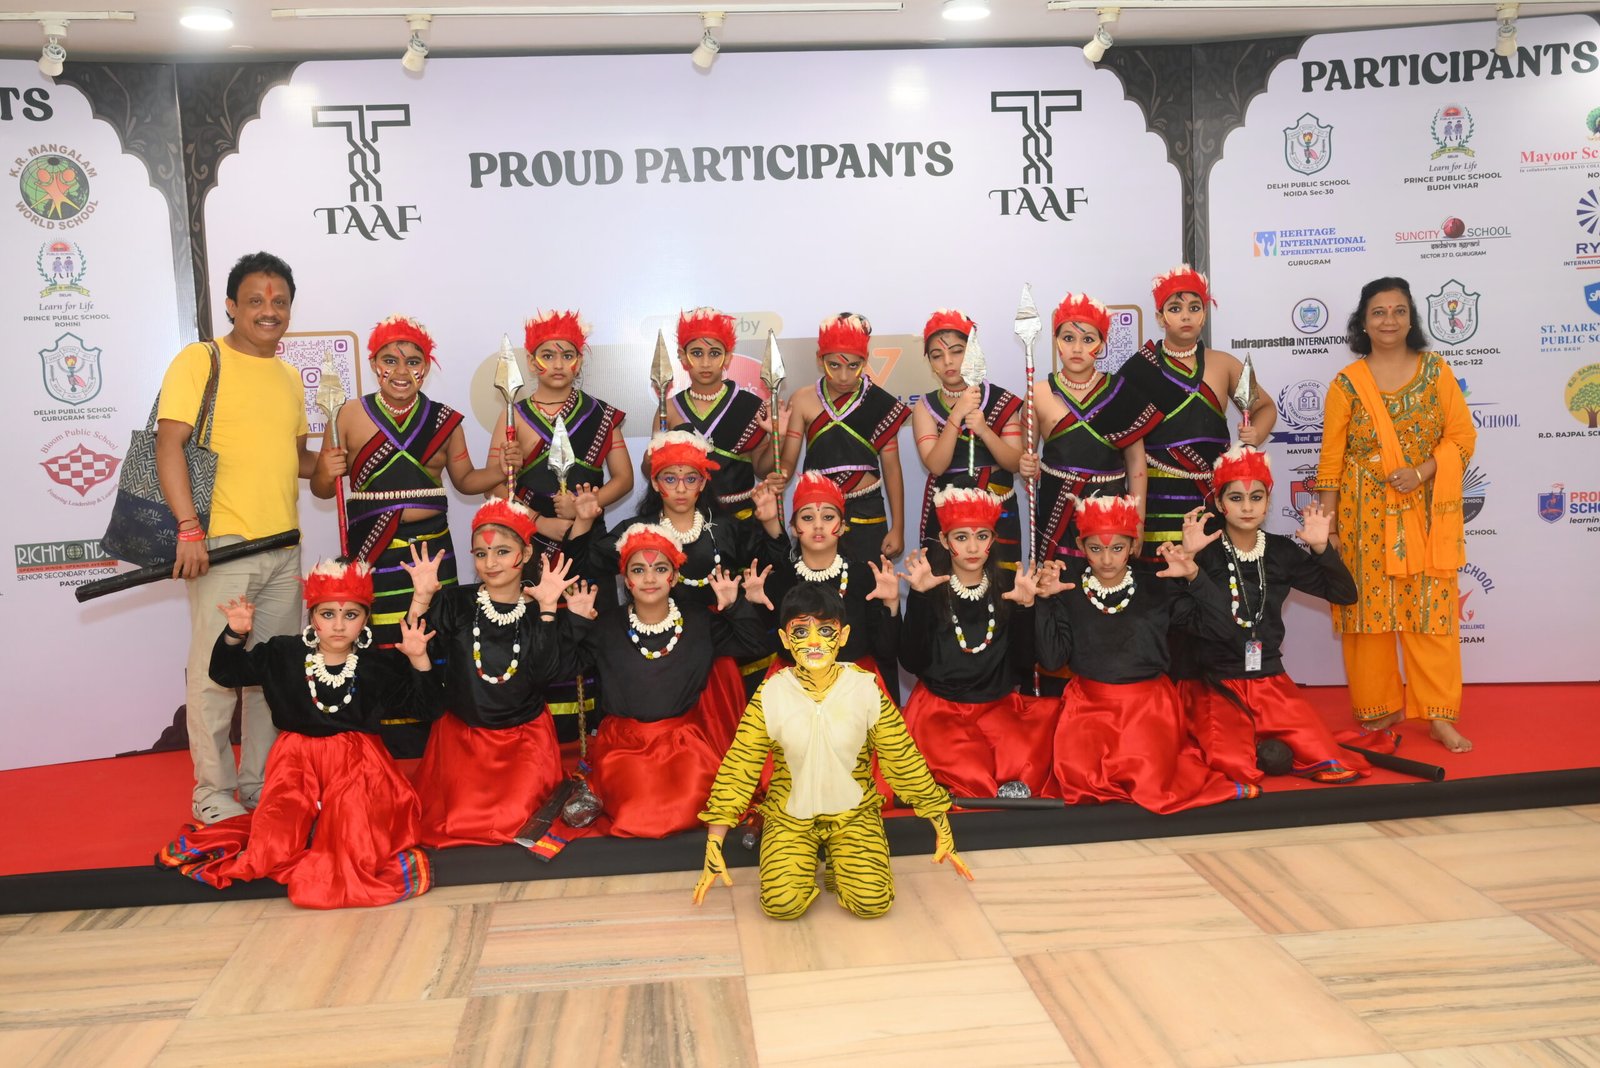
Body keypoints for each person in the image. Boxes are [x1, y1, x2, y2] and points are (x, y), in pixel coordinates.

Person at [156, 251, 338, 824]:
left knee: (270, 676)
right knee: (215, 677)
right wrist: (189, 528)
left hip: (284, 548)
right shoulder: (200, 360)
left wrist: (328, 464)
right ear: (232, 306)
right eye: (255, 300)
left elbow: (294, 459)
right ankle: (214, 793)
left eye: (279, 301)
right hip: (224, 547)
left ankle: (261, 785)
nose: (268, 311)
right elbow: (168, 445)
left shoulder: (288, 377)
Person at [156, 560, 438, 909]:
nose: (338, 625)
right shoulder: (283, 653)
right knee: (272, 844)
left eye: (351, 615)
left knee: (351, 840)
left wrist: (419, 660)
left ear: (365, 619)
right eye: (327, 614)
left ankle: (328, 829)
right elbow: (225, 673)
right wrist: (235, 633)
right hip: (295, 765)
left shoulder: (376, 665)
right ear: (312, 616)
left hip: (358, 768)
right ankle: (310, 827)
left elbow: (425, 708)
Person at [693, 584, 973, 920]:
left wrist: (940, 823)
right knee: (782, 905)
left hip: (854, 814)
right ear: (785, 639)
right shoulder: (771, 693)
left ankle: (843, 867)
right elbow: (741, 765)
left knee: (872, 904)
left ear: (843, 636)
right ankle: (805, 864)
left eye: (825, 630)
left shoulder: (865, 689)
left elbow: (902, 757)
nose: (813, 642)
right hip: (789, 817)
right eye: (801, 631)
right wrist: (715, 841)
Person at [311, 315, 510, 758]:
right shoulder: (346, 415)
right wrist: (326, 471)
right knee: (378, 636)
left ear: (426, 367)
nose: (401, 371)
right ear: (374, 364)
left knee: (432, 633)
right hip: (372, 551)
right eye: (390, 360)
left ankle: (434, 733)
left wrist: (503, 468)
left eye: (413, 362)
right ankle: (382, 736)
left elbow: (466, 481)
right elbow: (324, 489)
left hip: (432, 551)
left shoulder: (445, 420)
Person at [1316, 277, 1475, 753]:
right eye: (1379, 312)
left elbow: (1462, 438)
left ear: (1411, 319)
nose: (1389, 320)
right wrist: (1328, 527)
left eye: (1399, 311)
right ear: (1363, 322)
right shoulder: (1347, 383)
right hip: (1361, 515)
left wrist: (1423, 472)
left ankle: (1439, 716)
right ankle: (1379, 708)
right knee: (1368, 614)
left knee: (1431, 613)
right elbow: (1331, 461)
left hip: (1424, 513)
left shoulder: (1436, 371)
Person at [1034, 495, 1260, 812]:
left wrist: (1194, 577)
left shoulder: (1157, 586)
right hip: (1086, 711)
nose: (1107, 559)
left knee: (1152, 782)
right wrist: (1044, 602)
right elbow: (1052, 660)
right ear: (1081, 546)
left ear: (1132, 545)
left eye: (1117, 548)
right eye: (1096, 549)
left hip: (1149, 710)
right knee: (1081, 783)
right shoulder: (1068, 589)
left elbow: (1223, 629)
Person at [401, 501, 591, 847]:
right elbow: (416, 643)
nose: (490, 563)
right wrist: (422, 597)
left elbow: (547, 674)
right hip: (462, 742)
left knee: (515, 821)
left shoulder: (538, 610)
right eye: (481, 553)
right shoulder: (456, 603)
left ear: (526, 552)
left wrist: (549, 610)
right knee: (462, 822)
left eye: (502, 551)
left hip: (524, 744)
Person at [1175, 447, 1368, 785]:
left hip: (1269, 679)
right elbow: (1178, 619)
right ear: (1219, 503)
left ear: (1267, 502)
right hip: (1215, 682)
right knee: (1232, 766)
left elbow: (1344, 595)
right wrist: (1189, 560)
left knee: (1329, 759)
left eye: (1256, 497)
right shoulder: (1203, 551)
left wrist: (1321, 548)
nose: (1247, 508)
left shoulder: (1281, 551)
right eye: (1236, 498)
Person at [563, 522, 770, 838]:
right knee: (637, 810)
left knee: (689, 803)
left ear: (673, 576)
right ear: (626, 579)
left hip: (684, 745)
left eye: (660, 569)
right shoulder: (605, 626)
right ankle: (600, 786)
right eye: (638, 570)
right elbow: (561, 667)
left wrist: (735, 605)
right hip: (623, 746)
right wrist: (575, 623)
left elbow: (755, 645)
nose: (650, 579)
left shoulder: (699, 620)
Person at [899, 487, 1056, 799]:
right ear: (944, 540)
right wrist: (919, 598)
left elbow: (1023, 666)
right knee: (972, 775)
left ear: (993, 540)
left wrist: (1026, 609)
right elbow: (912, 662)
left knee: (1023, 766)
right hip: (941, 711)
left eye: (982, 536)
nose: (972, 547)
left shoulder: (1009, 588)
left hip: (998, 708)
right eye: (961, 537)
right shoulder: (931, 588)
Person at [1119, 265, 1276, 559]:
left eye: (1194, 308)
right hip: (1156, 498)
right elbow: (1126, 442)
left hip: (1212, 495)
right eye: (1175, 308)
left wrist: (1255, 435)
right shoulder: (1138, 369)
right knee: (1159, 572)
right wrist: (1135, 516)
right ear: (1160, 317)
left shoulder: (1223, 364)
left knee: (1213, 573)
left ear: (1204, 315)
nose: (1186, 316)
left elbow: (1265, 407)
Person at [572, 430, 789, 612]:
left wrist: (770, 521)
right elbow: (580, 569)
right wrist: (583, 521)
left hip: (718, 638)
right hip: (655, 640)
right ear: (655, 483)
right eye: (670, 479)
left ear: (702, 483)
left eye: (691, 479)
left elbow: (780, 565)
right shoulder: (636, 531)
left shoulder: (726, 528)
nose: (681, 488)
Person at [493, 309, 634, 583]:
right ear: (531, 362)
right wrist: (539, 522)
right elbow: (495, 486)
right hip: (529, 539)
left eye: (567, 356)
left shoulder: (601, 413)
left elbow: (624, 478)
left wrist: (585, 505)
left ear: (579, 362)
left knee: (592, 606)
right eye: (547, 356)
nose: (558, 365)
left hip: (590, 538)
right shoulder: (514, 416)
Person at [1031, 292, 1157, 566]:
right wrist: (1025, 463)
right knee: (1059, 583)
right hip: (1056, 511)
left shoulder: (1120, 392)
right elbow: (1022, 456)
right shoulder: (1038, 393)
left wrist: (1137, 521)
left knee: (1109, 582)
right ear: (1055, 341)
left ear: (1102, 344)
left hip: (1110, 513)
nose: (1077, 348)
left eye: (1088, 339)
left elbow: (1136, 462)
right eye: (1068, 338)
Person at [756, 472, 902, 700]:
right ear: (793, 527)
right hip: (794, 696)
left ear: (842, 527)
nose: (818, 526)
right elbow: (758, 646)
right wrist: (750, 607)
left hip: (855, 694)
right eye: (807, 518)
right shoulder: (780, 581)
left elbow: (887, 651)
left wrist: (891, 604)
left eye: (827, 517)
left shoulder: (864, 577)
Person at [780, 313, 911, 562]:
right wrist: (780, 476)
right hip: (817, 512)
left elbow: (892, 469)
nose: (843, 376)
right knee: (817, 584)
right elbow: (788, 461)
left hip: (867, 510)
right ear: (820, 359)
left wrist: (898, 528)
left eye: (853, 366)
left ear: (865, 360)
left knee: (868, 583)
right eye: (834, 365)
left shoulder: (881, 403)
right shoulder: (802, 399)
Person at [912, 309, 1030, 569]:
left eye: (957, 351)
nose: (948, 362)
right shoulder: (925, 406)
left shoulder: (1001, 399)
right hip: (948, 510)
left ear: (973, 351)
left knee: (1001, 581)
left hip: (998, 508)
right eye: (937, 355)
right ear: (930, 362)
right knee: (946, 583)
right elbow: (936, 466)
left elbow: (1014, 463)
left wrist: (984, 430)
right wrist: (957, 415)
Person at [667, 307, 781, 522]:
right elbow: (653, 471)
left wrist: (778, 436)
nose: (706, 363)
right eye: (697, 353)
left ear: (728, 357)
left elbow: (762, 470)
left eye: (715, 353)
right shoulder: (670, 409)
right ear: (683, 357)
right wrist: (651, 458)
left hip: (740, 521)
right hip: (687, 521)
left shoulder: (751, 406)